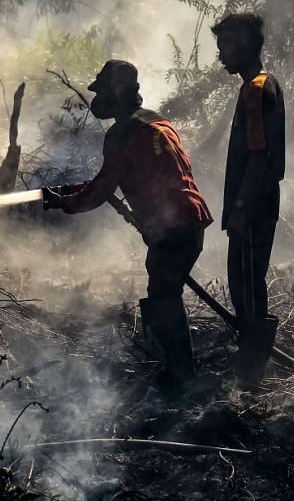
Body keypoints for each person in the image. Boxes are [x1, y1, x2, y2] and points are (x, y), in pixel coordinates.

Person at [42, 60, 213, 389]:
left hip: (174, 224)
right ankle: (174, 374)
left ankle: (181, 382)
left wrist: (69, 203)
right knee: (163, 292)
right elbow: (110, 181)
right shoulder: (156, 121)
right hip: (189, 219)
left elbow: (103, 189)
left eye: (102, 92)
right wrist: (69, 194)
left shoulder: (123, 132)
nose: (96, 100)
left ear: (118, 92)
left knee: (163, 298)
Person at [211, 13, 285, 386]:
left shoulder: (256, 89)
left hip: (252, 207)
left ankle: (253, 369)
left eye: (224, 46)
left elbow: (260, 156)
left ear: (241, 45)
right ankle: (252, 362)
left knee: (245, 285)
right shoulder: (262, 84)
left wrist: (240, 207)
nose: (221, 55)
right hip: (259, 204)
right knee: (248, 282)